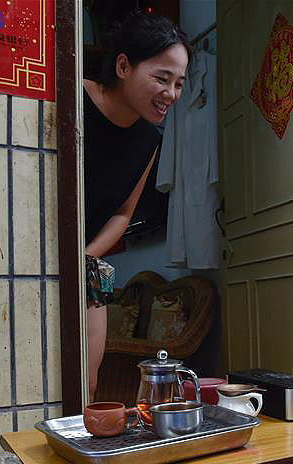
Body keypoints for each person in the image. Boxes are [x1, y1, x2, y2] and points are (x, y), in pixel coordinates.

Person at [83, 12, 192, 402]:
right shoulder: (73, 100)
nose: (172, 94)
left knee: (86, 386)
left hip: (84, 266)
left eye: (179, 83)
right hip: (32, 259)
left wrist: (83, 256)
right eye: (162, 78)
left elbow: (122, 214)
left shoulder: (149, 138)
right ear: (124, 66)